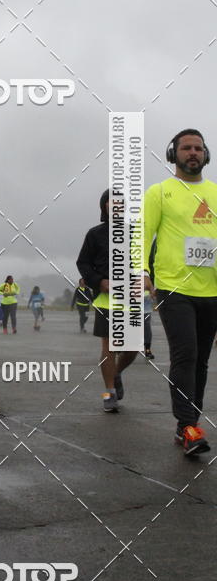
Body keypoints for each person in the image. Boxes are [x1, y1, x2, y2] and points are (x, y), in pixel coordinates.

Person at [144, 129, 217, 456]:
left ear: (206, 155)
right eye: (186, 148)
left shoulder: (215, 194)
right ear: (174, 154)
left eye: (198, 148)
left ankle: (186, 424)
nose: (193, 152)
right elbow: (141, 236)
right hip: (174, 288)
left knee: (201, 361)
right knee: (185, 355)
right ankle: (189, 426)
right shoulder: (160, 193)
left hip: (211, 290)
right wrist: (142, 271)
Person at [77, 190, 138, 412]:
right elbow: (83, 263)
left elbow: (148, 261)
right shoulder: (94, 234)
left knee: (132, 349)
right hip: (106, 300)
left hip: (132, 299)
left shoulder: (136, 233)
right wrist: (99, 281)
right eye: (112, 203)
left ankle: (118, 372)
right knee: (109, 347)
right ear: (104, 207)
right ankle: (108, 393)